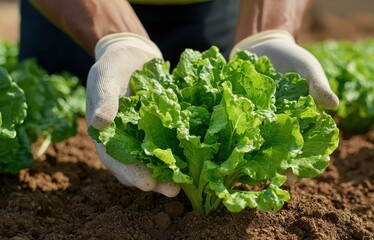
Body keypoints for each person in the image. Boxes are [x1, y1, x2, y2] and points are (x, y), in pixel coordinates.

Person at [20, 0, 339, 198]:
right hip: (78, 11)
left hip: (212, 10)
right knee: (84, 87)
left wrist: (268, 30)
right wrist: (117, 39)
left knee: (229, 84)